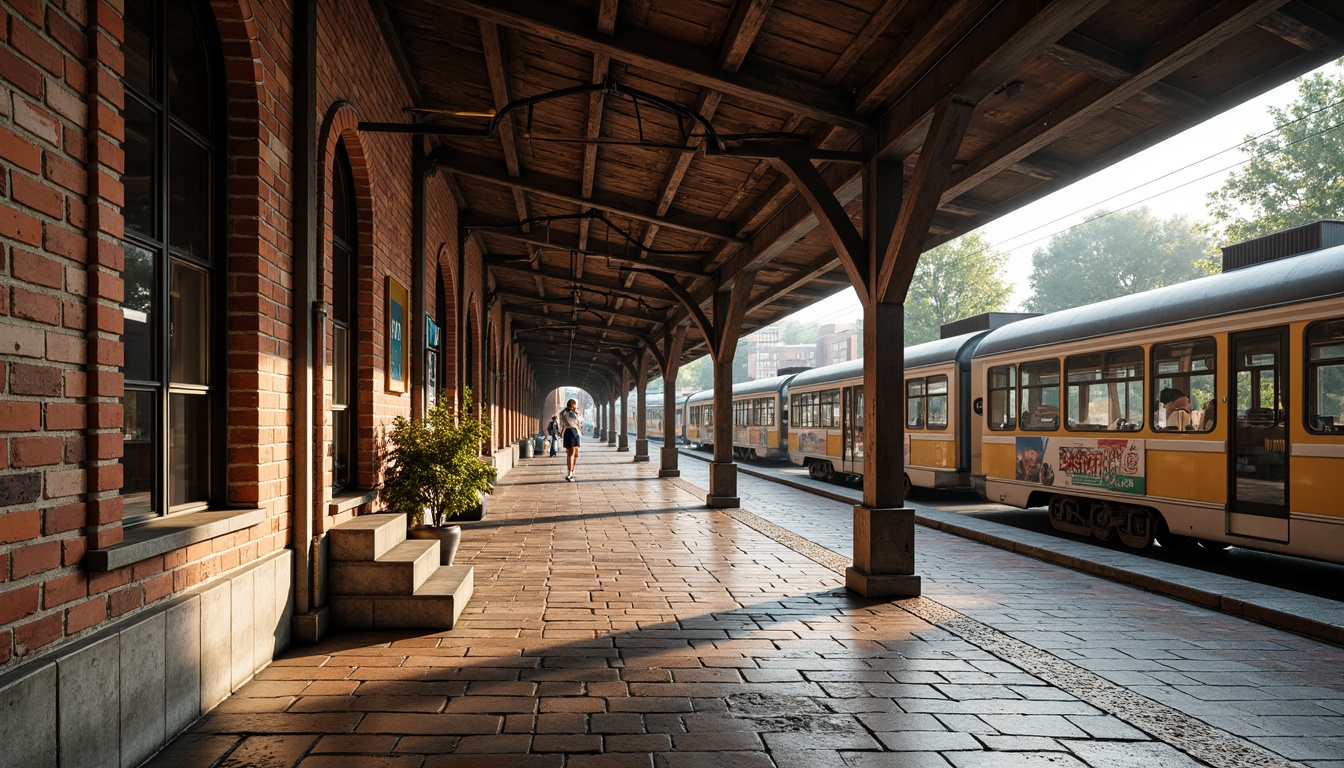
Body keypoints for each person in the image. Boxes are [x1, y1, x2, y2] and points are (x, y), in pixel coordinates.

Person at [558, 399, 583, 481]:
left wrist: (577, 413)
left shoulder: (576, 412)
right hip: (569, 431)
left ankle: (572, 471)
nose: (575, 407)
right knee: (570, 453)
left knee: (576, 454)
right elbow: (561, 423)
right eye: (574, 405)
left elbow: (580, 421)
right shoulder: (563, 413)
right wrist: (560, 432)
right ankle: (569, 473)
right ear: (572, 405)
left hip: (576, 432)